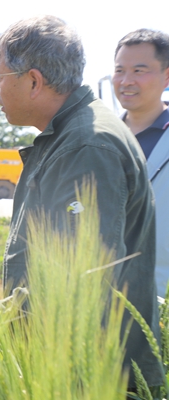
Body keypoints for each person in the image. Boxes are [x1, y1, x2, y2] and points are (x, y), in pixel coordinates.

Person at [0, 16, 163, 389]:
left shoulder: (86, 147)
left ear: (34, 81)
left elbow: (77, 279)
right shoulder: (72, 135)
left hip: (94, 378)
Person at [112, 29, 169, 298]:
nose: (126, 81)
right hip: (100, 300)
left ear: (166, 75)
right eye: (119, 70)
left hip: (161, 295)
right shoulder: (99, 137)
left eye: (139, 70)